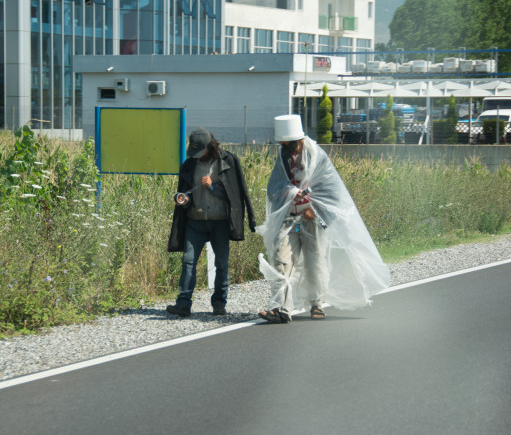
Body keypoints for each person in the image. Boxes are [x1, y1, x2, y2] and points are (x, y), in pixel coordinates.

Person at [256, 115, 390, 323]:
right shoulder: (283, 157)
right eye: (281, 143)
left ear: (297, 140)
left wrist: (314, 209)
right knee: (282, 261)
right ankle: (281, 308)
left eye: (286, 143)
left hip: (313, 219)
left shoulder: (317, 157)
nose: (283, 146)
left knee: (314, 261)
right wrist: (291, 192)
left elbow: (331, 192)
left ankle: (316, 303)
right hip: (289, 217)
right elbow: (275, 187)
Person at [166, 127, 257, 317]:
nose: (198, 157)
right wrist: (182, 199)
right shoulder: (189, 164)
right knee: (188, 262)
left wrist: (213, 186)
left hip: (220, 223)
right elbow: (184, 189)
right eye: (195, 153)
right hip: (194, 221)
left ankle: (219, 304)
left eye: (202, 152)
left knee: (222, 264)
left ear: (210, 147)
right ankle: (183, 303)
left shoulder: (228, 161)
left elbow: (235, 195)